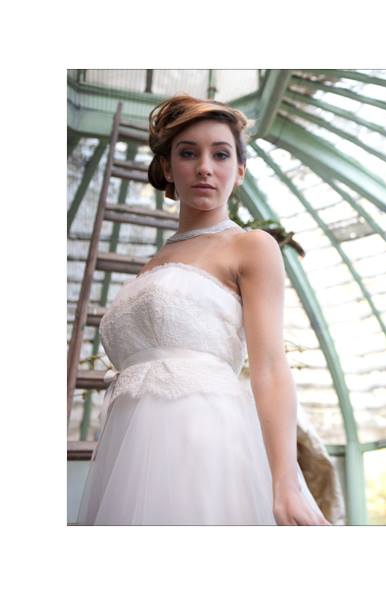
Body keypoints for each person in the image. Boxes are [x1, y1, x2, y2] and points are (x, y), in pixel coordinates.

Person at [76, 94, 332, 525]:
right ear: (167, 168)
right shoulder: (151, 266)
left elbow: (270, 366)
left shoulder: (251, 246)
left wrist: (285, 481)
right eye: (188, 153)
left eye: (221, 154)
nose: (204, 167)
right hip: (128, 455)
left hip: (208, 441)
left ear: (240, 170)